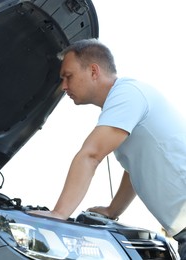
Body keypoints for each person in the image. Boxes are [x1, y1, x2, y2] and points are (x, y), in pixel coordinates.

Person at [29, 38, 186, 259]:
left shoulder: (128, 94)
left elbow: (91, 155)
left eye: (68, 76)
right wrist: (114, 210)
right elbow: (135, 169)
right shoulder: (125, 102)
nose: (64, 87)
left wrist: (59, 213)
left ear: (94, 71)